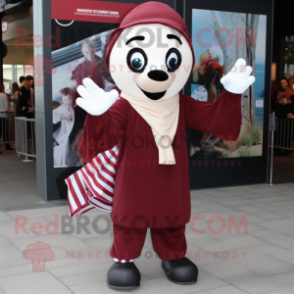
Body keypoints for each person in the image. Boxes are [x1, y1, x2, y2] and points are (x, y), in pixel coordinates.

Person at [53, 88, 75, 167]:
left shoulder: (72, 110)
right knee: (63, 157)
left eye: (69, 99)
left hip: (69, 138)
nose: (67, 102)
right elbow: (51, 116)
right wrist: (63, 117)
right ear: (62, 100)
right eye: (64, 100)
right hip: (63, 139)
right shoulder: (62, 109)